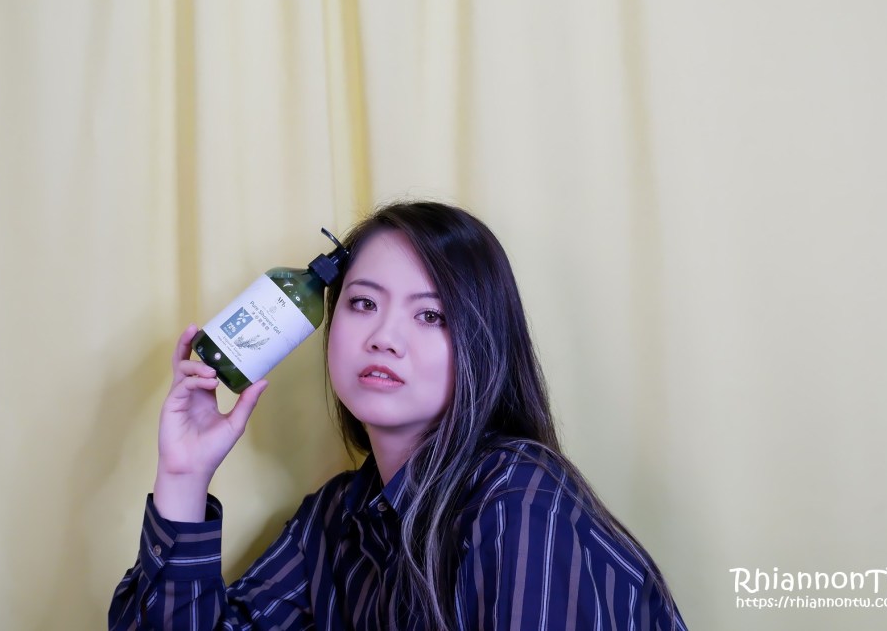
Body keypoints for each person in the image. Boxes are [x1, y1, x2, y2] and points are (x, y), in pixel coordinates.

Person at [109, 201, 687, 630]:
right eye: (363, 303)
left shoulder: (518, 501)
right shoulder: (334, 521)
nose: (384, 337)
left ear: (483, 344)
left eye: (431, 315)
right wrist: (183, 476)